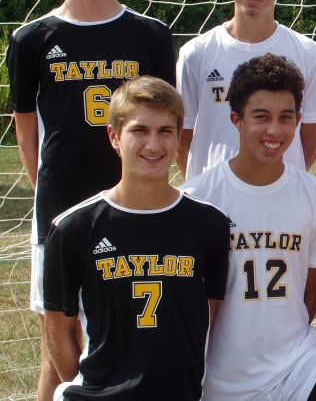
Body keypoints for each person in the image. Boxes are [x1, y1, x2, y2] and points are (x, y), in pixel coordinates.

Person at [6, 0, 177, 400]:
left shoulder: (149, 34)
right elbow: (26, 130)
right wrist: (54, 201)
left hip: (136, 206)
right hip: (63, 208)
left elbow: (162, 122)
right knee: (59, 345)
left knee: (132, 334)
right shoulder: (31, 39)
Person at [181, 54, 316, 401]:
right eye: (261, 117)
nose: (274, 130)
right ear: (236, 120)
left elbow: (309, 296)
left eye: (286, 118)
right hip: (220, 377)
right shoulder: (197, 198)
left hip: (296, 364)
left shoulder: (315, 195)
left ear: (299, 120)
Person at [42, 77, 230, 401]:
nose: (153, 145)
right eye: (139, 130)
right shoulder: (74, 227)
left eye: (165, 131)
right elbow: (57, 327)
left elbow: (208, 316)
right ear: (114, 136)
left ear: (177, 136)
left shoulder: (209, 223)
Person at [176, 0, 316, 180]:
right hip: (211, 202)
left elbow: (311, 146)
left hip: (280, 200)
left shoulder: (308, 53)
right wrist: (204, 185)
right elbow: (182, 140)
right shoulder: (195, 53)